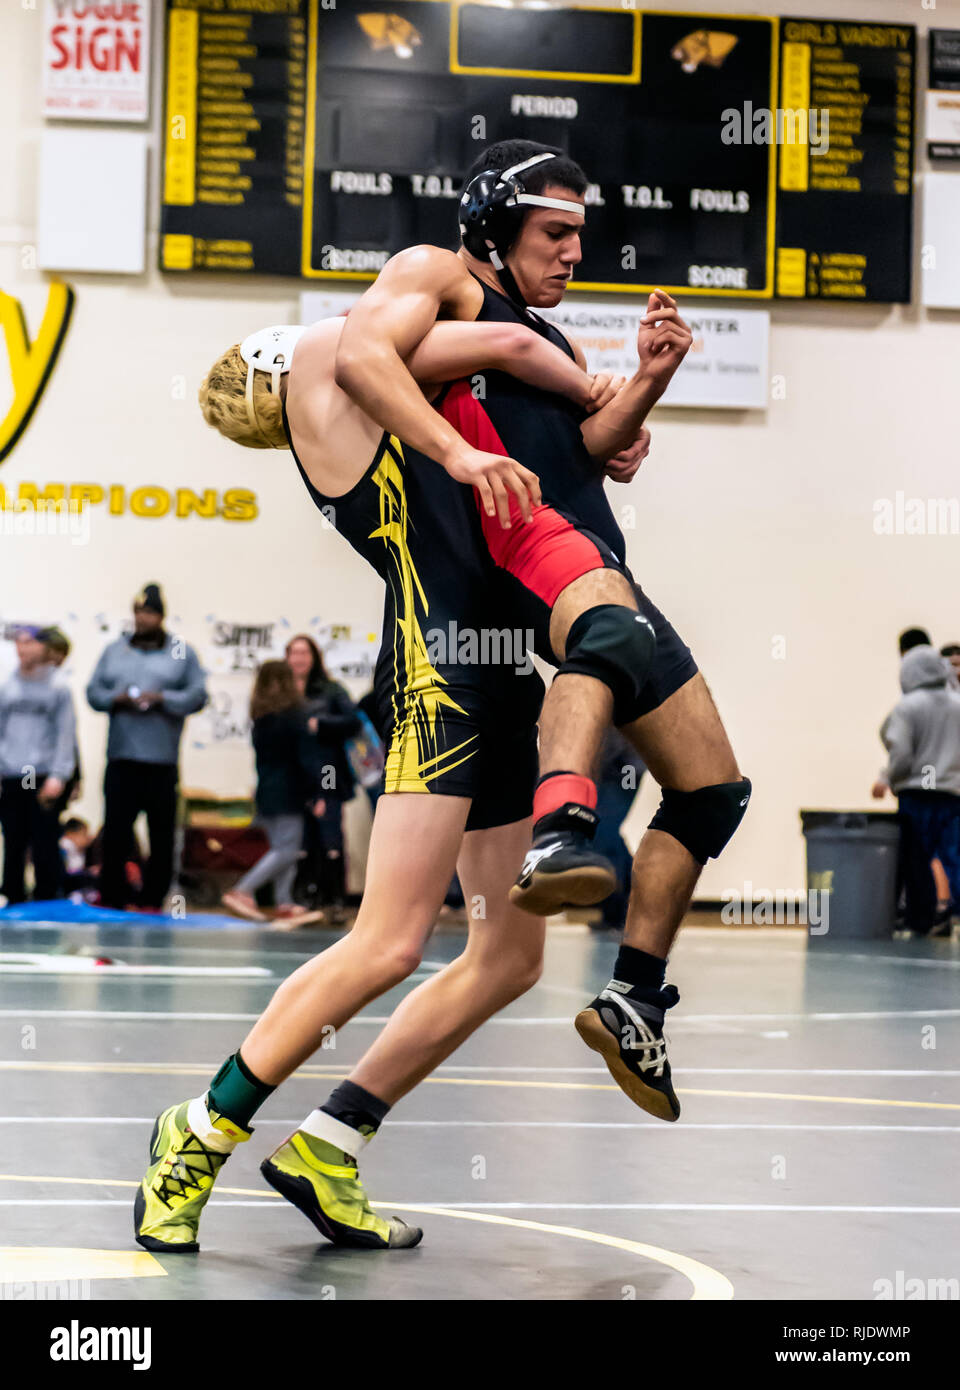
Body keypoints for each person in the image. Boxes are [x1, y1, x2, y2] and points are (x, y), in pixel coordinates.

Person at [134, 261, 632, 1252]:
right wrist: (589, 381)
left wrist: (614, 409)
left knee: (508, 957)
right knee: (390, 942)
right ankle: (198, 1130)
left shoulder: (375, 382)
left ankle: (330, 1139)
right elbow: (500, 341)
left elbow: (489, 361)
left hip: (497, 673)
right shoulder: (335, 364)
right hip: (436, 679)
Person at [335, 139, 750, 1114]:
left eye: (579, 236)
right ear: (492, 226)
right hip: (518, 554)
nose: (573, 252)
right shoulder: (443, 276)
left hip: (595, 553)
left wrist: (649, 376)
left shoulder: (553, 341)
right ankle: (562, 825)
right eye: (553, 233)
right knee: (607, 640)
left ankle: (632, 997)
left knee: (712, 790)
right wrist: (458, 449)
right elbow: (363, 352)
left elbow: (596, 453)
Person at [86, 585, 207, 912]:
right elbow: (93, 693)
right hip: (122, 757)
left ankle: (153, 897)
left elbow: (198, 696)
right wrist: (117, 699)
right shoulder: (115, 650)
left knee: (161, 833)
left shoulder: (182, 652)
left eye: (150, 613)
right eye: (139, 612)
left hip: (160, 760)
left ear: (161, 616)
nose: (143, 618)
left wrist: (163, 699)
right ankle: (112, 896)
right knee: (115, 831)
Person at [222, 661, 327, 927]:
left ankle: (284, 901)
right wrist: (319, 792)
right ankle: (242, 890)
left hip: (266, 790)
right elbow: (306, 759)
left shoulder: (261, 717)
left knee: (283, 848)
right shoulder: (295, 716)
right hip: (289, 791)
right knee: (287, 850)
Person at [872, 645, 960, 934]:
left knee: (916, 861)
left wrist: (889, 779)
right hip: (952, 795)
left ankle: (919, 919)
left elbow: (901, 753)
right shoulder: (957, 704)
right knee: (953, 856)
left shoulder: (907, 707)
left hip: (917, 795)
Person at [284, 634, 360, 923]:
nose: (299, 659)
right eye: (293, 653)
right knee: (303, 838)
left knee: (329, 833)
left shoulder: (330, 690)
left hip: (328, 771)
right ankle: (306, 897)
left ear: (313, 657)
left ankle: (335, 899)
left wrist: (322, 724)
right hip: (297, 774)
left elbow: (353, 720)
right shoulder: (285, 692)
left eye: (304, 653)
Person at [0, 627, 77, 903]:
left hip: (42, 774)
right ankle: (12, 897)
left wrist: (60, 775)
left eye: (29, 642)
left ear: (42, 647)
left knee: (43, 841)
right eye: (18, 643)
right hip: (11, 773)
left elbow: (65, 734)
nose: (23, 649)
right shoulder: (7, 685)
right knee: (13, 841)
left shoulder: (58, 686)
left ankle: (47, 901)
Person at [590, 729, 646, 932]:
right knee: (604, 831)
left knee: (604, 830)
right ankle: (634, 900)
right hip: (613, 767)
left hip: (626, 768)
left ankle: (621, 908)